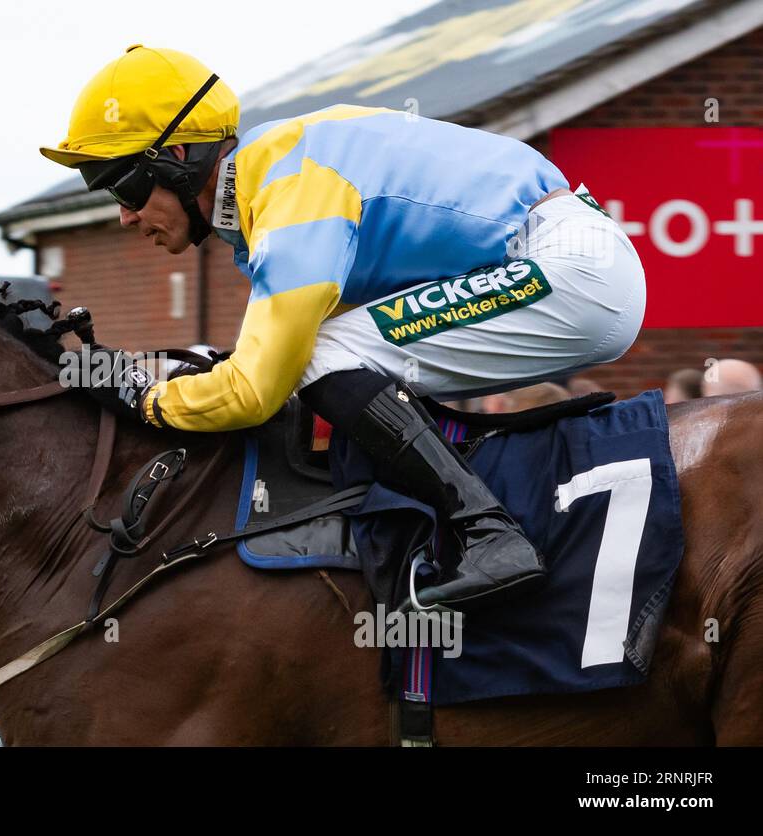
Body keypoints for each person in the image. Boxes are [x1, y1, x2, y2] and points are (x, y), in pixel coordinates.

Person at [43, 46, 646, 610]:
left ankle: (486, 530)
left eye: (122, 184)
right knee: (328, 350)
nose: (123, 216)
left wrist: (146, 397)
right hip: (566, 258)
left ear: (176, 158)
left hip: (570, 268)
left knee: (322, 354)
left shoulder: (290, 185)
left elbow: (256, 390)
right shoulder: (270, 183)